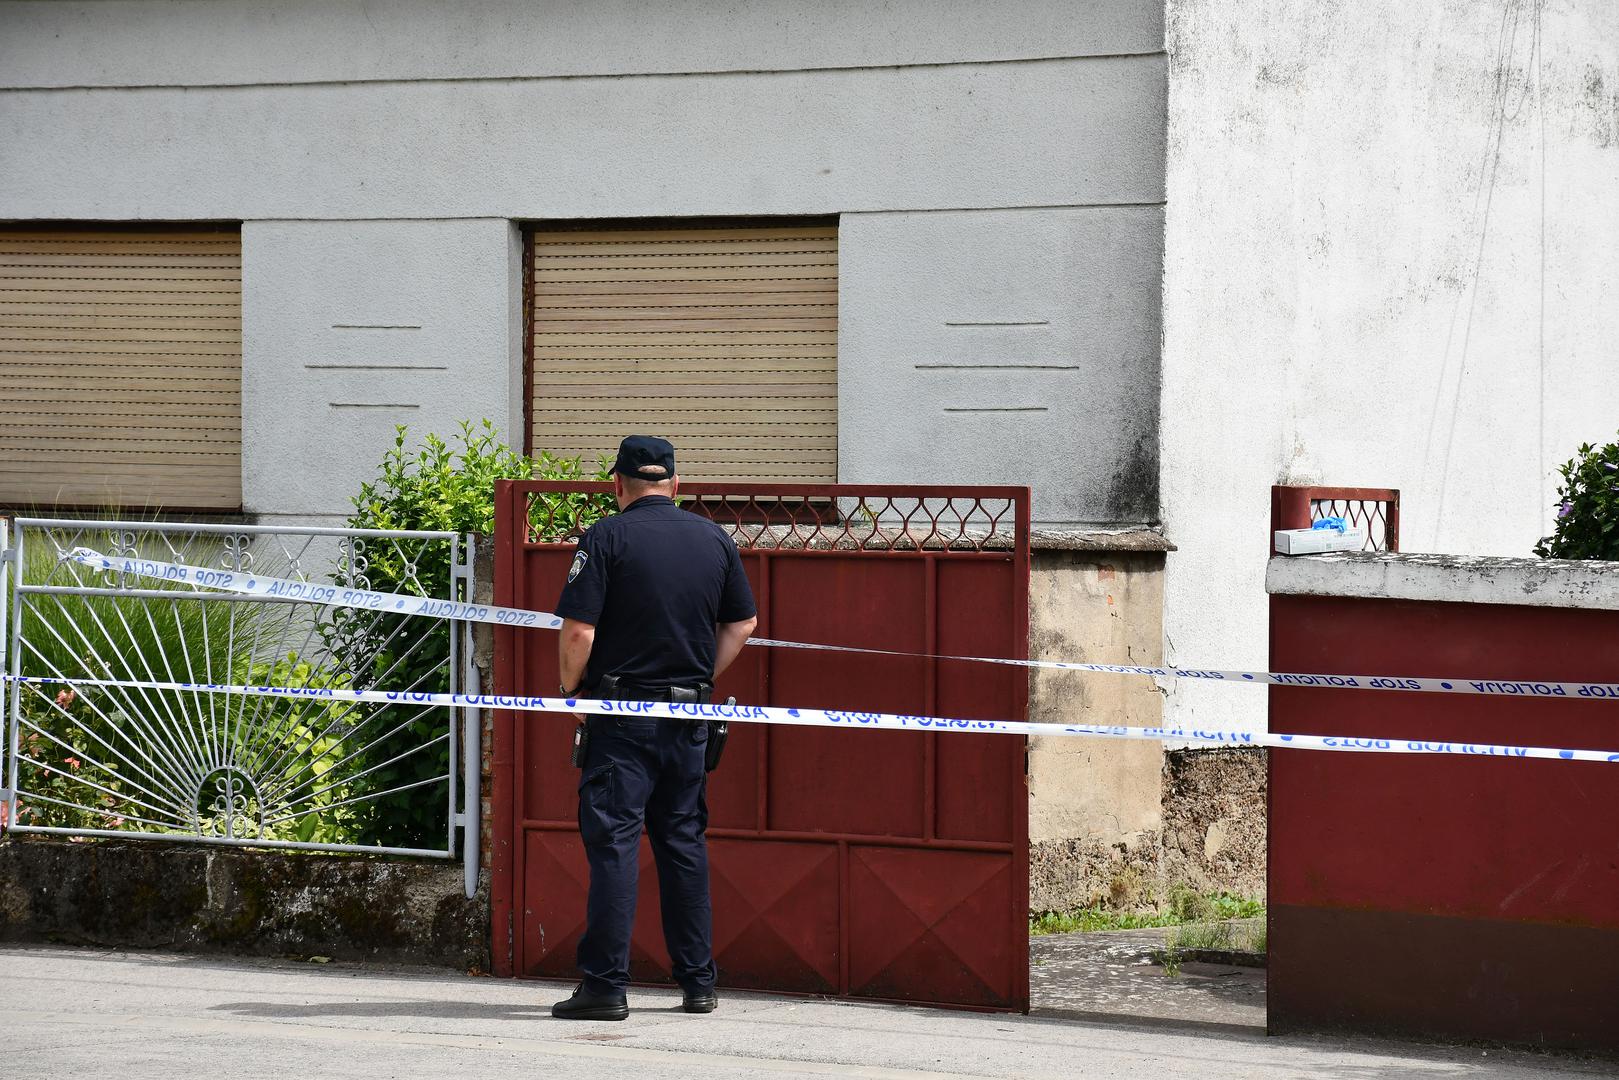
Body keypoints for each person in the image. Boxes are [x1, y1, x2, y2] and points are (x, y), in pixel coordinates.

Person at [549, 434, 757, 1022]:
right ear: (675, 483)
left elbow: (578, 632)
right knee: (682, 842)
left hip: (622, 718)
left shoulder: (606, 537)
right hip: (689, 719)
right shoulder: (714, 539)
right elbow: (743, 623)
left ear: (618, 484)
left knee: (615, 844)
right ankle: (698, 983)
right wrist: (697, 682)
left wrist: (571, 692)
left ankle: (605, 988)